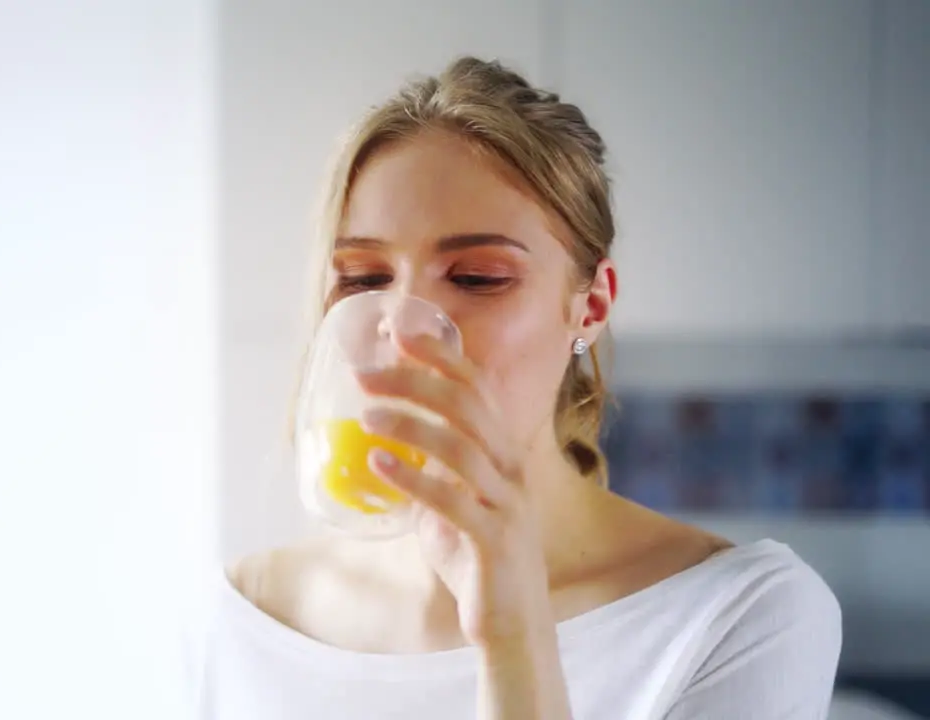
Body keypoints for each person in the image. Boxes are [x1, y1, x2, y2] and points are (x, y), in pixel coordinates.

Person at [183, 56, 842, 719]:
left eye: (477, 278)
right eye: (363, 278)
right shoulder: (243, 617)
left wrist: (514, 637)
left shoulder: (741, 617)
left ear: (590, 306)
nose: (402, 329)